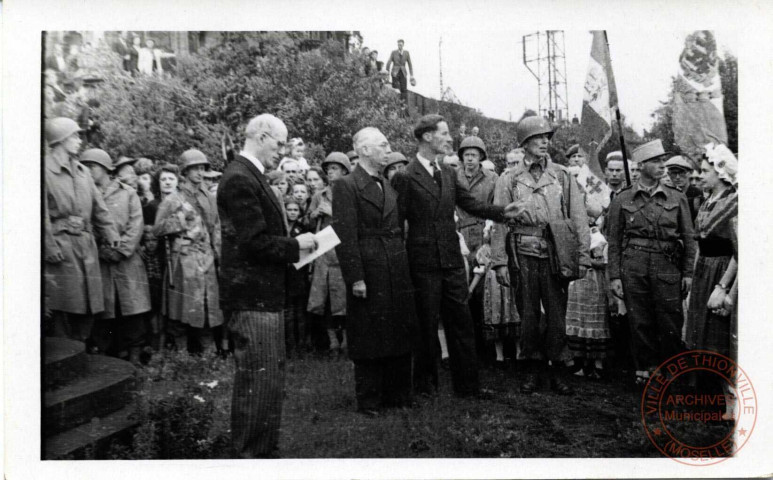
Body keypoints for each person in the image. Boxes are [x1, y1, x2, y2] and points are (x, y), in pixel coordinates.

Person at [391, 114, 521, 398]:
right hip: (422, 264)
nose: (451, 139)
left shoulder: (448, 174)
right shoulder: (404, 177)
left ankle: (468, 388)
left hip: (450, 260)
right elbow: (397, 225)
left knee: (461, 323)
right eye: (445, 133)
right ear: (427, 137)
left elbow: (471, 204)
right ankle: (425, 390)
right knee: (425, 327)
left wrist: (501, 212)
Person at [217, 113, 317, 458]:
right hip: (252, 300)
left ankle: (261, 452)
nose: (282, 151)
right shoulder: (239, 178)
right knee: (257, 382)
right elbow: (254, 243)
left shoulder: (249, 175)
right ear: (261, 136)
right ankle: (251, 457)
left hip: (262, 297)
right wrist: (297, 246)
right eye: (279, 142)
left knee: (266, 381)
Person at [490, 116, 590, 395]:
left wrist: (582, 256)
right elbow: (500, 221)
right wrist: (499, 262)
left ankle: (558, 369)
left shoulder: (561, 175)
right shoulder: (508, 178)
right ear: (524, 143)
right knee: (529, 314)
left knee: (558, 314)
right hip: (522, 253)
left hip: (556, 252)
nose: (545, 142)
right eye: (538, 137)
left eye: (547, 137)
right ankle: (532, 369)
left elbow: (578, 217)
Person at [333, 127, 419, 414]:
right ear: (365, 150)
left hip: (395, 265)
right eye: (382, 145)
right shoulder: (346, 185)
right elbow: (345, 236)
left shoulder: (387, 183)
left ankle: (397, 395)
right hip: (369, 269)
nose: (388, 149)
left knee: (398, 328)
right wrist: (356, 277)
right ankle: (370, 399)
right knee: (370, 333)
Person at [607, 139, 697, 386]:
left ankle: (670, 371)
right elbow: (613, 240)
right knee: (640, 320)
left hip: (667, 265)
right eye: (656, 162)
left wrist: (688, 273)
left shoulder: (677, 199)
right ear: (642, 165)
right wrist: (615, 276)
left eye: (662, 161)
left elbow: (689, 239)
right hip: (633, 265)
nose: (662, 166)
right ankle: (646, 370)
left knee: (670, 320)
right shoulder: (623, 199)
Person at [44, 118, 120, 343]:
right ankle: (67, 356)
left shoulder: (83, 172)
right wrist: (48, 245)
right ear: (60, 140)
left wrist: (111, 232)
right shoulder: (43, 171)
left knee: (90, 302)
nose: (80, 141)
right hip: (61, 245)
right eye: (74, 136)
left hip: (86, 246)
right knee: (65, 304)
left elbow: (99, 207)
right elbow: (39, 214)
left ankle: (81, 351)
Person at [80, 149, 151, 363]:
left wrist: (121, 250)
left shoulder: (128, 193)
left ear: (105, 168)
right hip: (99, 261)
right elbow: (86, 224)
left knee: (133, 310)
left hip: (128, 261)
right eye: (85, 167)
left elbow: (136, 225)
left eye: (92, 166)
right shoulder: (84, 193)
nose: (89, 171)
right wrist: (100, 250)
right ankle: (105, 359)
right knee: (104, 312)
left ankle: (135, 355)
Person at [684, 144, 737, 358]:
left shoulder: (734, 202)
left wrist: (723, 286)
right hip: (704, 269)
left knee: (716, 333)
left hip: (722, 269)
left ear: (720, 172)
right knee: (699, 330)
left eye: (706, 171)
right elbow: (699, 244)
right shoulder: (707, 202)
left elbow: (738, 252)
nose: (700, 175)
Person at [455, 136, 499, 364]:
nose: (470, 159)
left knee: (483, 295)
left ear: (481, 157)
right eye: (466, 155)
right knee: (462, 293)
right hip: (460, 237)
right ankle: (465, 353)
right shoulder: (454, 177)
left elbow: (496, 209)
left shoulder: (492, 179)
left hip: (483, 237)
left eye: (474, 155)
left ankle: (487, 352)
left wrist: (489, 242)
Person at [307, 153, 350, 357]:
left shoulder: (351, 192)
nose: (331, 172)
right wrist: (314, 214)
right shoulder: (319, 195)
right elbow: (307, 222)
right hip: (323, 251)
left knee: (345, 297)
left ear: (344, 171)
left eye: (335, 168)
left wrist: (332, 212)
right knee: (324, 300)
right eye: (329, 168)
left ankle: (347, 341)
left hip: (343, 249)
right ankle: (333, 341)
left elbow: (353, 221)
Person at [284, 197, 311, 357]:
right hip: (284, 274)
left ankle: (301, 346)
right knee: (288, 313)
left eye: (295, 210)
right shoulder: (280, 228)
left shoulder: (303, 228)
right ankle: (289, 347)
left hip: (299, 274)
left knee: (300, 312)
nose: (292, 213)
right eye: (289, 209)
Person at [664, 155, 703, 220]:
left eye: (682, 173)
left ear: (690, 173)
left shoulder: (696, 194)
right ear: (668, 174)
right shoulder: (666, 193)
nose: (677, 177)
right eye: (674, 173)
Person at [385, 39, 414, 103]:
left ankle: (403, 105)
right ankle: (395, 103)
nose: (399, 46)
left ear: (403, 45)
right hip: (395, 72)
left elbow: (410, 64)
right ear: (397, 45)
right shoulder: (393, 52)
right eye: (398, 44)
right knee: (396, 88)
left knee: (404, 89)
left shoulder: (406, 53)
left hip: (403, 73)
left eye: (401, 44)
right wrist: (387, 72)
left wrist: (411, 75)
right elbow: (389, 62)